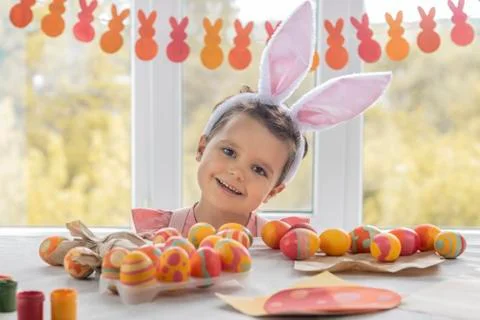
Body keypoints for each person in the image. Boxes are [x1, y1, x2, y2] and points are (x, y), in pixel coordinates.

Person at [132, 0, 392, 238]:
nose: (237, 172)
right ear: (202, 147)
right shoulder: (159, 233)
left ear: (274, 190)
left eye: (259, 170)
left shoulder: (278, 241)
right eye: (229, 151)